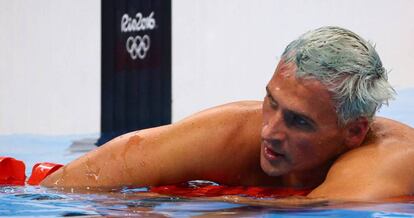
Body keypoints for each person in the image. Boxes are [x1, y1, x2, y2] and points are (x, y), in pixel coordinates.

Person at [41, 26, 414, 201]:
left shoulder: (387, 163)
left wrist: (203, 202)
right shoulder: (232, 132)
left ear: (353, 132)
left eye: (298, 121)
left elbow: (320, 212)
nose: (269, 131)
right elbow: (65, 187)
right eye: (271, 102)